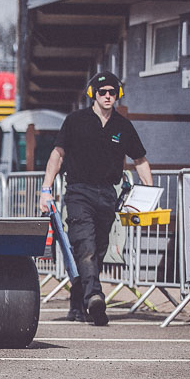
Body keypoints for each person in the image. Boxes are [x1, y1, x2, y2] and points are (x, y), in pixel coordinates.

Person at [39, 71, 152, 326]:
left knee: (97, 250)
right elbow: (57, 155)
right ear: (94, 94)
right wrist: (46, 190)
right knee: (85, 245)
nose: (108, 96)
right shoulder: (75, 120)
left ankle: (78, 303)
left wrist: (149, 192)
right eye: (103, 92)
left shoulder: (123, 126)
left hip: (107, 194)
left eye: (113, 92)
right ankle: (95, 298)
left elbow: (141, 160)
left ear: (118, 94)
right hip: (79, 191)